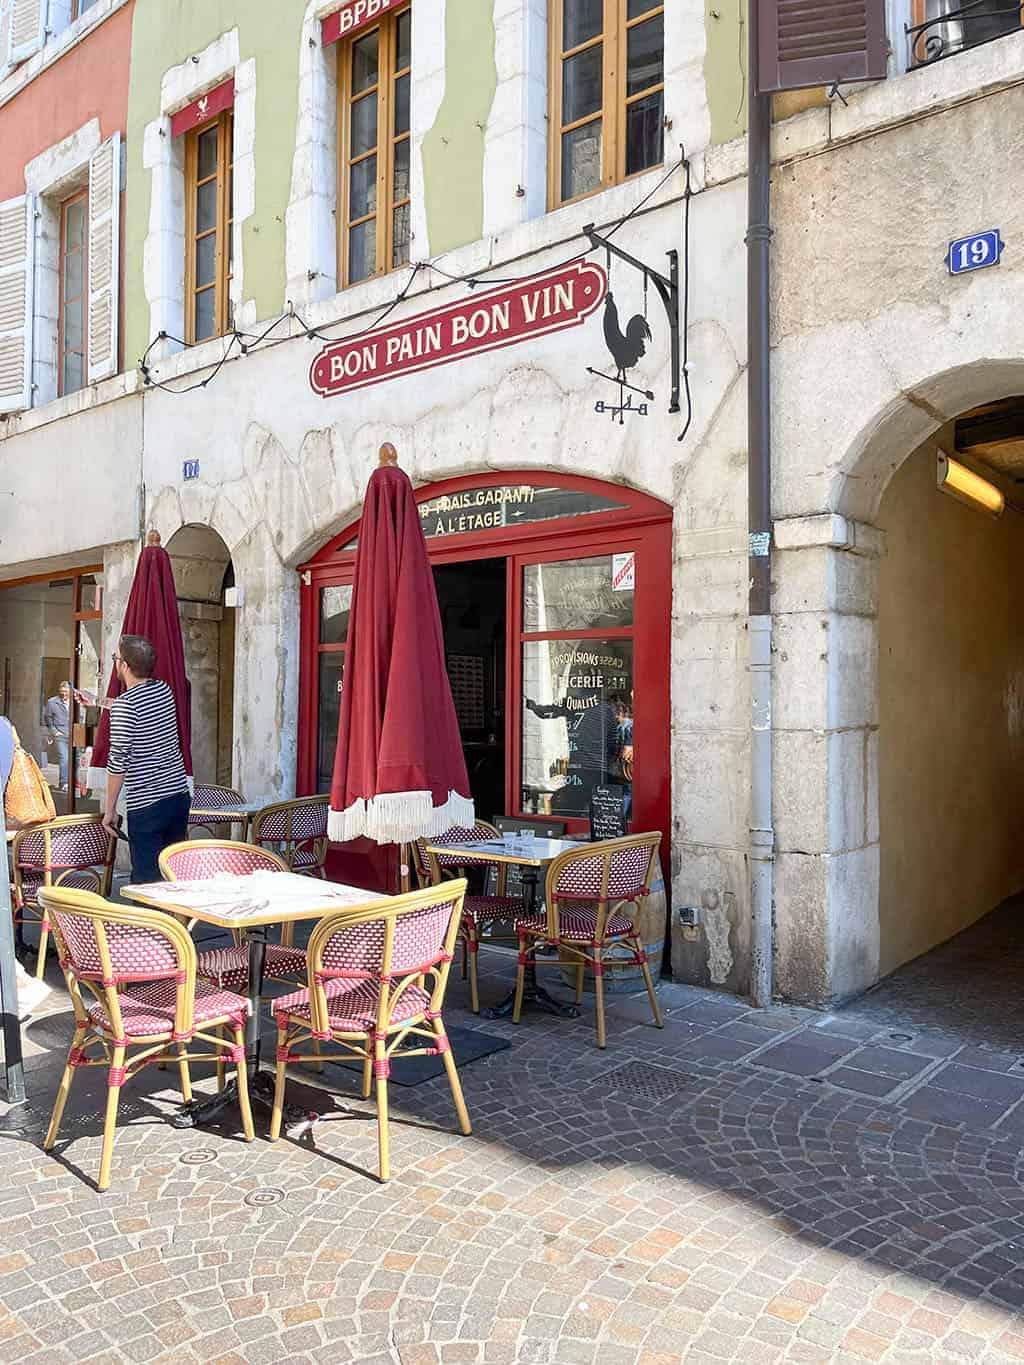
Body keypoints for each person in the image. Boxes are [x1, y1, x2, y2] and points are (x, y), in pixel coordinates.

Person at [102, 635, 190, 884]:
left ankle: (149, 924)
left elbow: (118, 762)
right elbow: (136, 708)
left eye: (115, 659)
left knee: (147, 881)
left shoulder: (125, 707)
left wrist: (110, 810)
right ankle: (172, 923)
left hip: (148, 803)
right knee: (173, 875)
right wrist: (98, 702)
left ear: (125, 666)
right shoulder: (164, 691)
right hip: (177, 795)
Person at [526, 692, 621, 816]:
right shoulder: (607, 710)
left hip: (579, 769)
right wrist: (606, 763)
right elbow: (613, 744)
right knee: (598, 815)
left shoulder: (573, 704)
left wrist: (532, 706)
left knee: (570, 811)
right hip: (599, 771)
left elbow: (545, 712)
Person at [44, 681, 71, 791]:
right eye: (62, 692)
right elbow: (47, 718)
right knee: (64, 759)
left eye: (66, 692)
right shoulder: (52, 702)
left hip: (75, 735)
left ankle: (73, 782)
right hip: (60, 735)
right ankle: (64, 783)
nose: (64, 694)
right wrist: (54, 731)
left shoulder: (75, 701)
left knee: (76, 761)